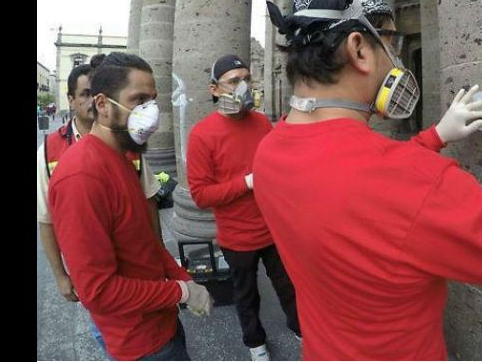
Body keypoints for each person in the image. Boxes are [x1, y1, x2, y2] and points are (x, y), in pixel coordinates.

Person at [254, 0, 482, 360]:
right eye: (391, 43)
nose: (397, 58)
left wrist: (436, 136)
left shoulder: (268, 151)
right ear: (359, 49)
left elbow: (358, 193)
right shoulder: (411, 182)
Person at [48, 52, 212, 361]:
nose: (151, 112)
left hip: (161, 324)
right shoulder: (81, 177)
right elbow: (98, 292)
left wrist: (183, 279)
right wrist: (181, 292)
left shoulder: (122, 157)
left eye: (153, 100)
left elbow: (145, 243)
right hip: (141, 344)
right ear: (102, 104)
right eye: (139, 100)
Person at [37, 60, 166, 354]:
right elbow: (46, 220)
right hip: (117, 297)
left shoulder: (125, 145)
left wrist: (161, 259)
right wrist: (61, 276)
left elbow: (148, 202)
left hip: (144, 288)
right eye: (84, 94)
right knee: (109, 330)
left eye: (152, 100)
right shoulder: (56, 156)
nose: (150, 111)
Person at [187, 54, 300, 361]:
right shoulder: (202, 135)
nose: (244, 86)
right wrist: (246, 182)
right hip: (237, 238)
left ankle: (299, 326)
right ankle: (255, 343)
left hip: (273, 228)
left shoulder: (261, 122)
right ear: (214, 89)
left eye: (247, 78)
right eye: (234, 81)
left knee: (288, 285)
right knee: (246, 294)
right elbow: (201, 195)